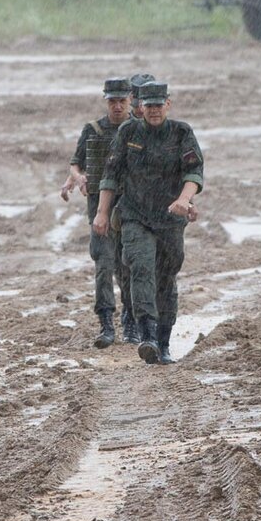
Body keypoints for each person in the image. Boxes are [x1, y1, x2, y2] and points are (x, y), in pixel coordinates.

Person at [94, 81, 203, 365]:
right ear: (140, 107)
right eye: (148, 105)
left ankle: (164, 342)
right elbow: (111, 174)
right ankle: (148, 336)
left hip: (169, 218)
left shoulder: (182, 133)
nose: (153, 110)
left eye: (158, 105)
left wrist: (184, 199)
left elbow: (194, 172)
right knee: (140, 267)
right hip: (135, 215)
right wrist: (102, 213)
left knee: (166, 277)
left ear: (168, 104)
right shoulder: (128, 132)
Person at [62, 77, 134, 348]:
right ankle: (106, 322)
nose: (117, 106)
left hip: (129, 209)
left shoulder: (137, 130)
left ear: (130, 101)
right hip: (98, 210)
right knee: (103, 265)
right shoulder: (92, 130)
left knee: (127, 266)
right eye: (112, 101)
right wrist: (78, 178)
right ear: (106, 101)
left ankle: (130, 318)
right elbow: (75, 163)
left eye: (122, 101)